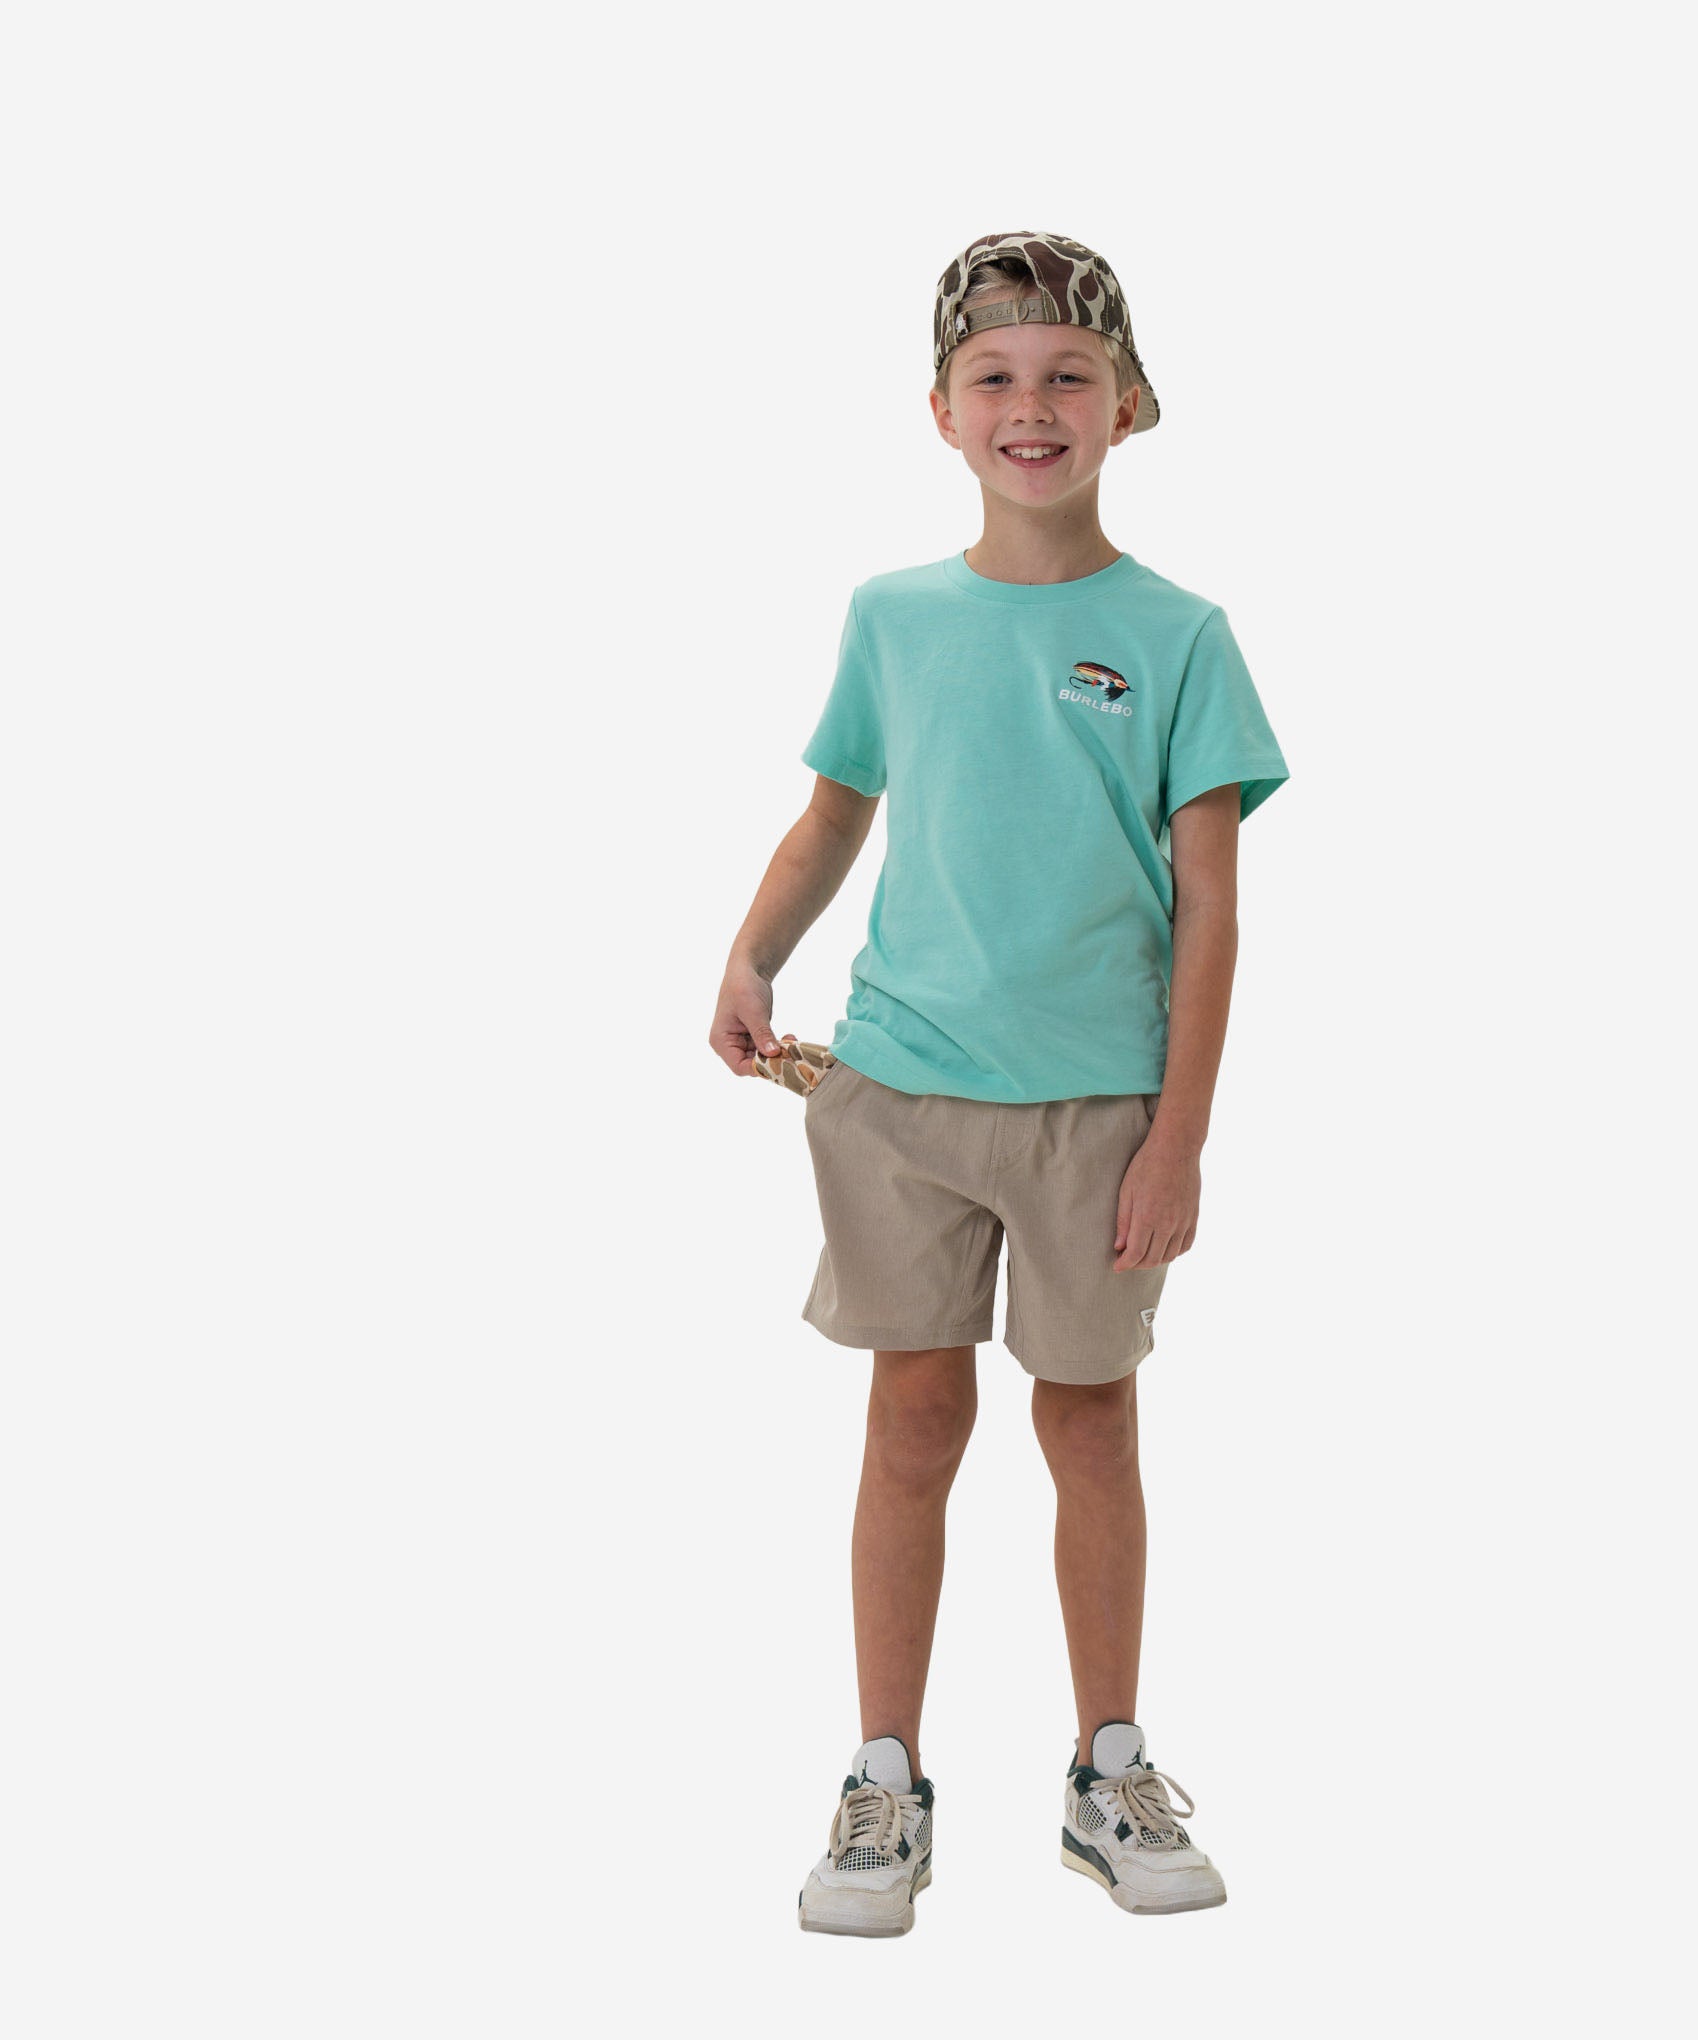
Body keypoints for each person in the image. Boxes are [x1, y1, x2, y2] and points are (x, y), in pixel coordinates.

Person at [712, 231, 1291, 1935]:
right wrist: (751, 955)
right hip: (898, 1096)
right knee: (911, 1423)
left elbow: (1211, 908)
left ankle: (1108, 1768)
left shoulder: (1180, 637)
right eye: (996, 377)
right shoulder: (892, 618)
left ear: (1129, 403)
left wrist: (1179, 1137)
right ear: (944, 411)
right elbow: (836, 811)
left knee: (1090, 1421)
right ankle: (883, 1782)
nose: (1032, 406)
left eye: (1067, 376)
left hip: (1097, 1114)